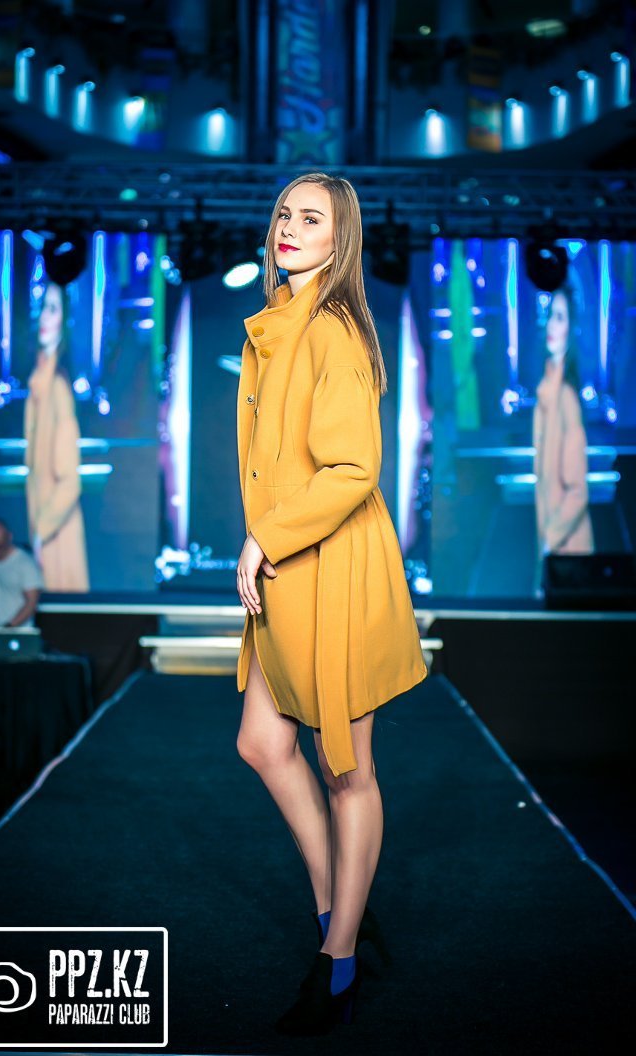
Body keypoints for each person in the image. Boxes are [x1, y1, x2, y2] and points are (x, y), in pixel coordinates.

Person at [234, 172, 428, 1035]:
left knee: (346, 769)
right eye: (284, 213)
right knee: (262, 742)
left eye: (310, 218)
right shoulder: (282, 320)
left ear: (339, 239)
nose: (289, 227)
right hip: (290, 564)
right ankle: (340, 910)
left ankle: (338, 959)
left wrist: (264, 538)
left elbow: (353, 469)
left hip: (331, 566)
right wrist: (269, 540)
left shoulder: (333, 328)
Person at [24, 281, 90, 591]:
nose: (44, 318)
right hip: (46, 530)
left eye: (53, 309)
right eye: (42, 308)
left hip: (56, 537)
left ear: (65, 319)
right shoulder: (40, 380)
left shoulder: (57, 387)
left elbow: (69, 481)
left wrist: (41, 531)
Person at [532, 286, 594, 592]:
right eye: (550, 316)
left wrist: (550, 540)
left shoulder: (566, 397)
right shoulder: (548, 389)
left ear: (572, 327)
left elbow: (577, 491)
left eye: (560, 317)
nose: (551, 325)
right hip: (555, 552)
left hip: (568, 554)